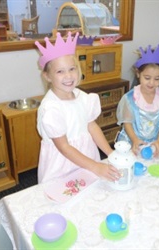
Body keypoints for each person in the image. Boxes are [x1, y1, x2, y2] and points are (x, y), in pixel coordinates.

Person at [34, 32, 120, 183]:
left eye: (72, 69)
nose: (68, 76)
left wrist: (110, 152)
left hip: (86, 157)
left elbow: (92, 127)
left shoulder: (82, 97)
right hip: (62, 164)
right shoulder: (51, 109)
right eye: (60, 71)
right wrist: (95, 166)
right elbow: (64, 147)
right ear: (47, 76)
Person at [116, 44, 159, 158]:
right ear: (138, 73)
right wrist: (134, 140)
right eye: (147, 78)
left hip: (153, 143)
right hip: (131, 142)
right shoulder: (130, 99)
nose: (151, 83)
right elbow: (127, 123)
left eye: (157, 79)